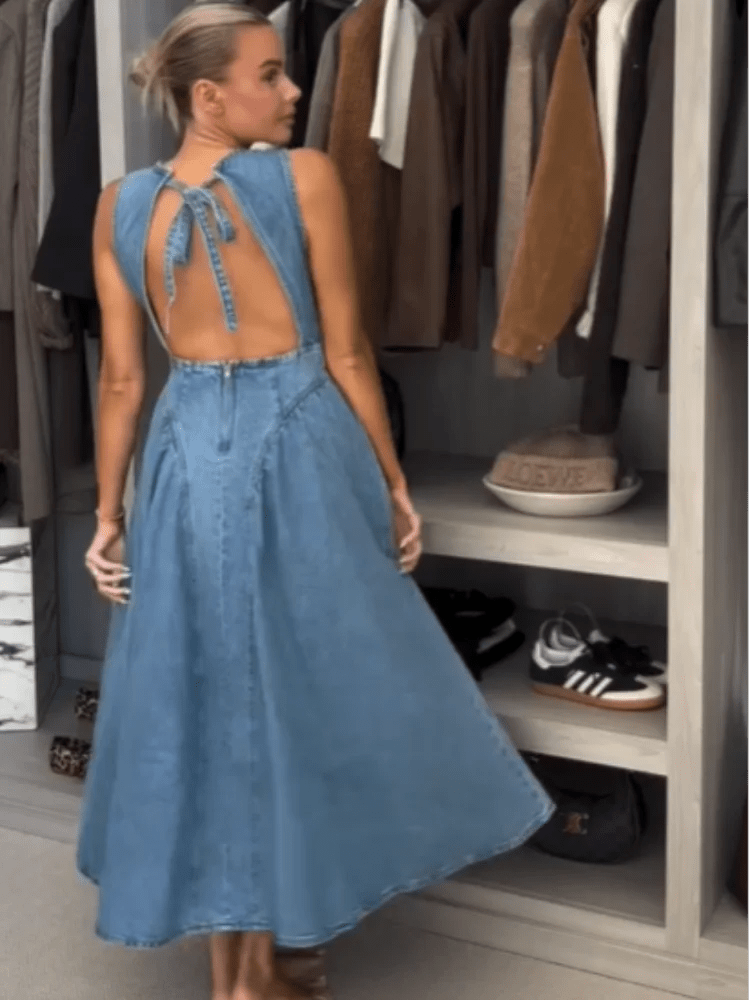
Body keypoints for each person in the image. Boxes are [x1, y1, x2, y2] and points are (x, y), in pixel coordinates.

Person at [77, 6, 555, 1000]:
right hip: (294, 442)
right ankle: (259, 971)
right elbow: (347, 352)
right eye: (271, 74)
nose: (294, 90)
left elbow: (121, 381)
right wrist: (393, 479)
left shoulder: (119, 204)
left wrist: (108, 513)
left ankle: (262, 954)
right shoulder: (305, 179)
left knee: (210, 692)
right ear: (208, 96)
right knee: (306, 683)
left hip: (181, 452)